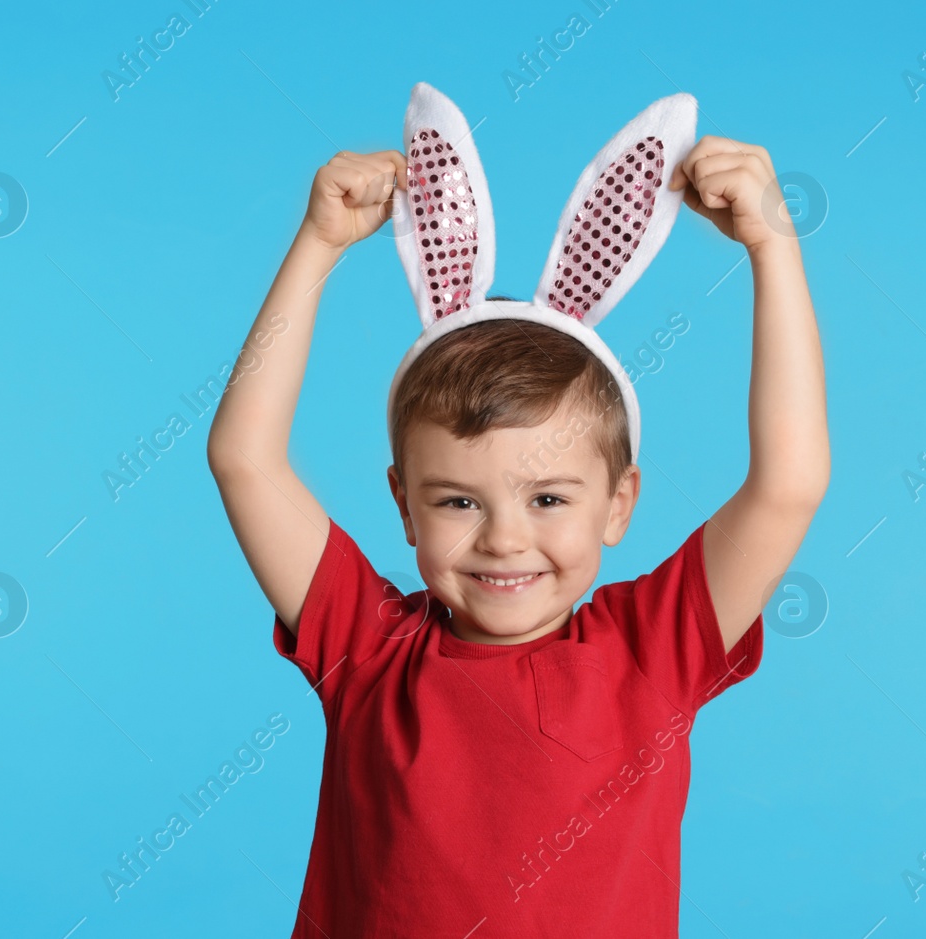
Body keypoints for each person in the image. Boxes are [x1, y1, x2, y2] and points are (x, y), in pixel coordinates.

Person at [205, 90, 829, 936]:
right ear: (404, 506)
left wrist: (772, 246)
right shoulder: (366, 649)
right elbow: (244, 458)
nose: (504, 537)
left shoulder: (656, 648)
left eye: (547, 499)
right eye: (459, 499)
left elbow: (789, 483)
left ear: (619, 504)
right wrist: (316, 249)